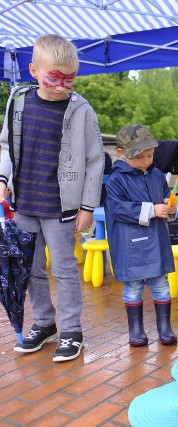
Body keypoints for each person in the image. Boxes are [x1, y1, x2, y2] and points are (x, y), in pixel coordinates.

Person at [0, 34, 104, 362]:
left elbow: (94, 159)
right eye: (54, 77)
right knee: (30, 268)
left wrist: (88, 206)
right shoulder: (17, 101)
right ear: (34, 70)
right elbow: (5, 145)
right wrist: (2, 178)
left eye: (69, 78)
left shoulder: (81, 109)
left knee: (64, 268)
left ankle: (72, 329)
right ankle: (44, 323)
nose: (62, 85)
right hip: (24, 205)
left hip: (61, 208)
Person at [105, 124, 178, 347]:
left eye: (150, 155)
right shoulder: (116, 180)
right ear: (122, 154)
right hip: (131, 245)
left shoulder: (156, 175)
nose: (146, 161)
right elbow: (118, 209)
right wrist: (152, 210)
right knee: (133, 287)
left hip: (156, 240)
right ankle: (135, 330)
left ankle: (164, 327)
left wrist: (168, 206)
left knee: (161, 284)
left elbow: (164, 197)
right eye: (140, 157)